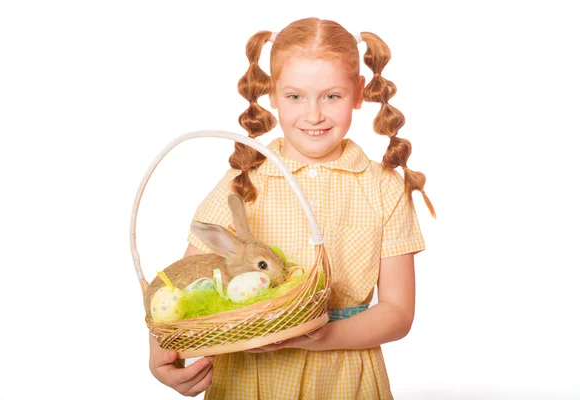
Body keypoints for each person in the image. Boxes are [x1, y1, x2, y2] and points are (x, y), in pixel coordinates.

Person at [148, 16, 435, 399]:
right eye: (294, 96)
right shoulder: (245, 180)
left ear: (359, 92)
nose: (313, 114)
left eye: (331, 96)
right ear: (272, 95)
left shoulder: (383, 189)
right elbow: (184, 285)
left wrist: (326, 335)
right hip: (249, 378)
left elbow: (398, 312)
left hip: (342, 376)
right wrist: (161, 355)